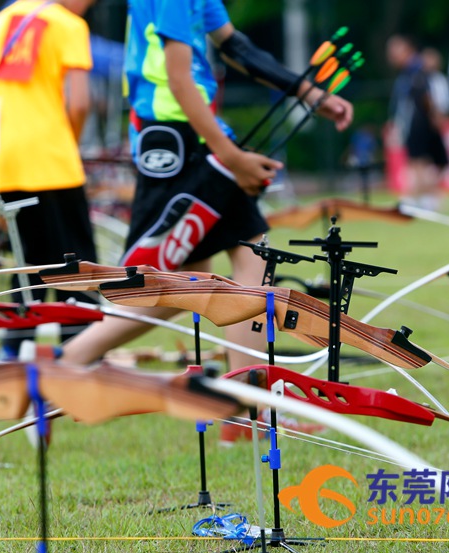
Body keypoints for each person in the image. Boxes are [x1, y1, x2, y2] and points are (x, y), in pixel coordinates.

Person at [59, 0, 353, 441]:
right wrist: (232, 157)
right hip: (176, 142)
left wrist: (311, 95)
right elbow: (179, 80)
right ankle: (63, 366)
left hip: (192, 138)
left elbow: (238, 47)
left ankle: (246, 412)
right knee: (190, 283)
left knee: (223, 273)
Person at [0, 0, 99, 355]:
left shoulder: (1, 20)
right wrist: (68, 143)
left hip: (7, 160)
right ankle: (80, 349)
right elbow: (80, 103)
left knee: (28, 260)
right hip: (53, 158)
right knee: (75, 261)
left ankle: (15, 345)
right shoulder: (68, 25)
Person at [388, 35, 448, 211]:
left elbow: (425, 96)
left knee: (420, 162)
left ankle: (421, 197)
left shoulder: (416, 70)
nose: (392, 55)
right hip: (415, 122)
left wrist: (433, 116)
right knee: (418, 162)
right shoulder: (407, 72)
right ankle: (423, 197)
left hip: (419, 122)